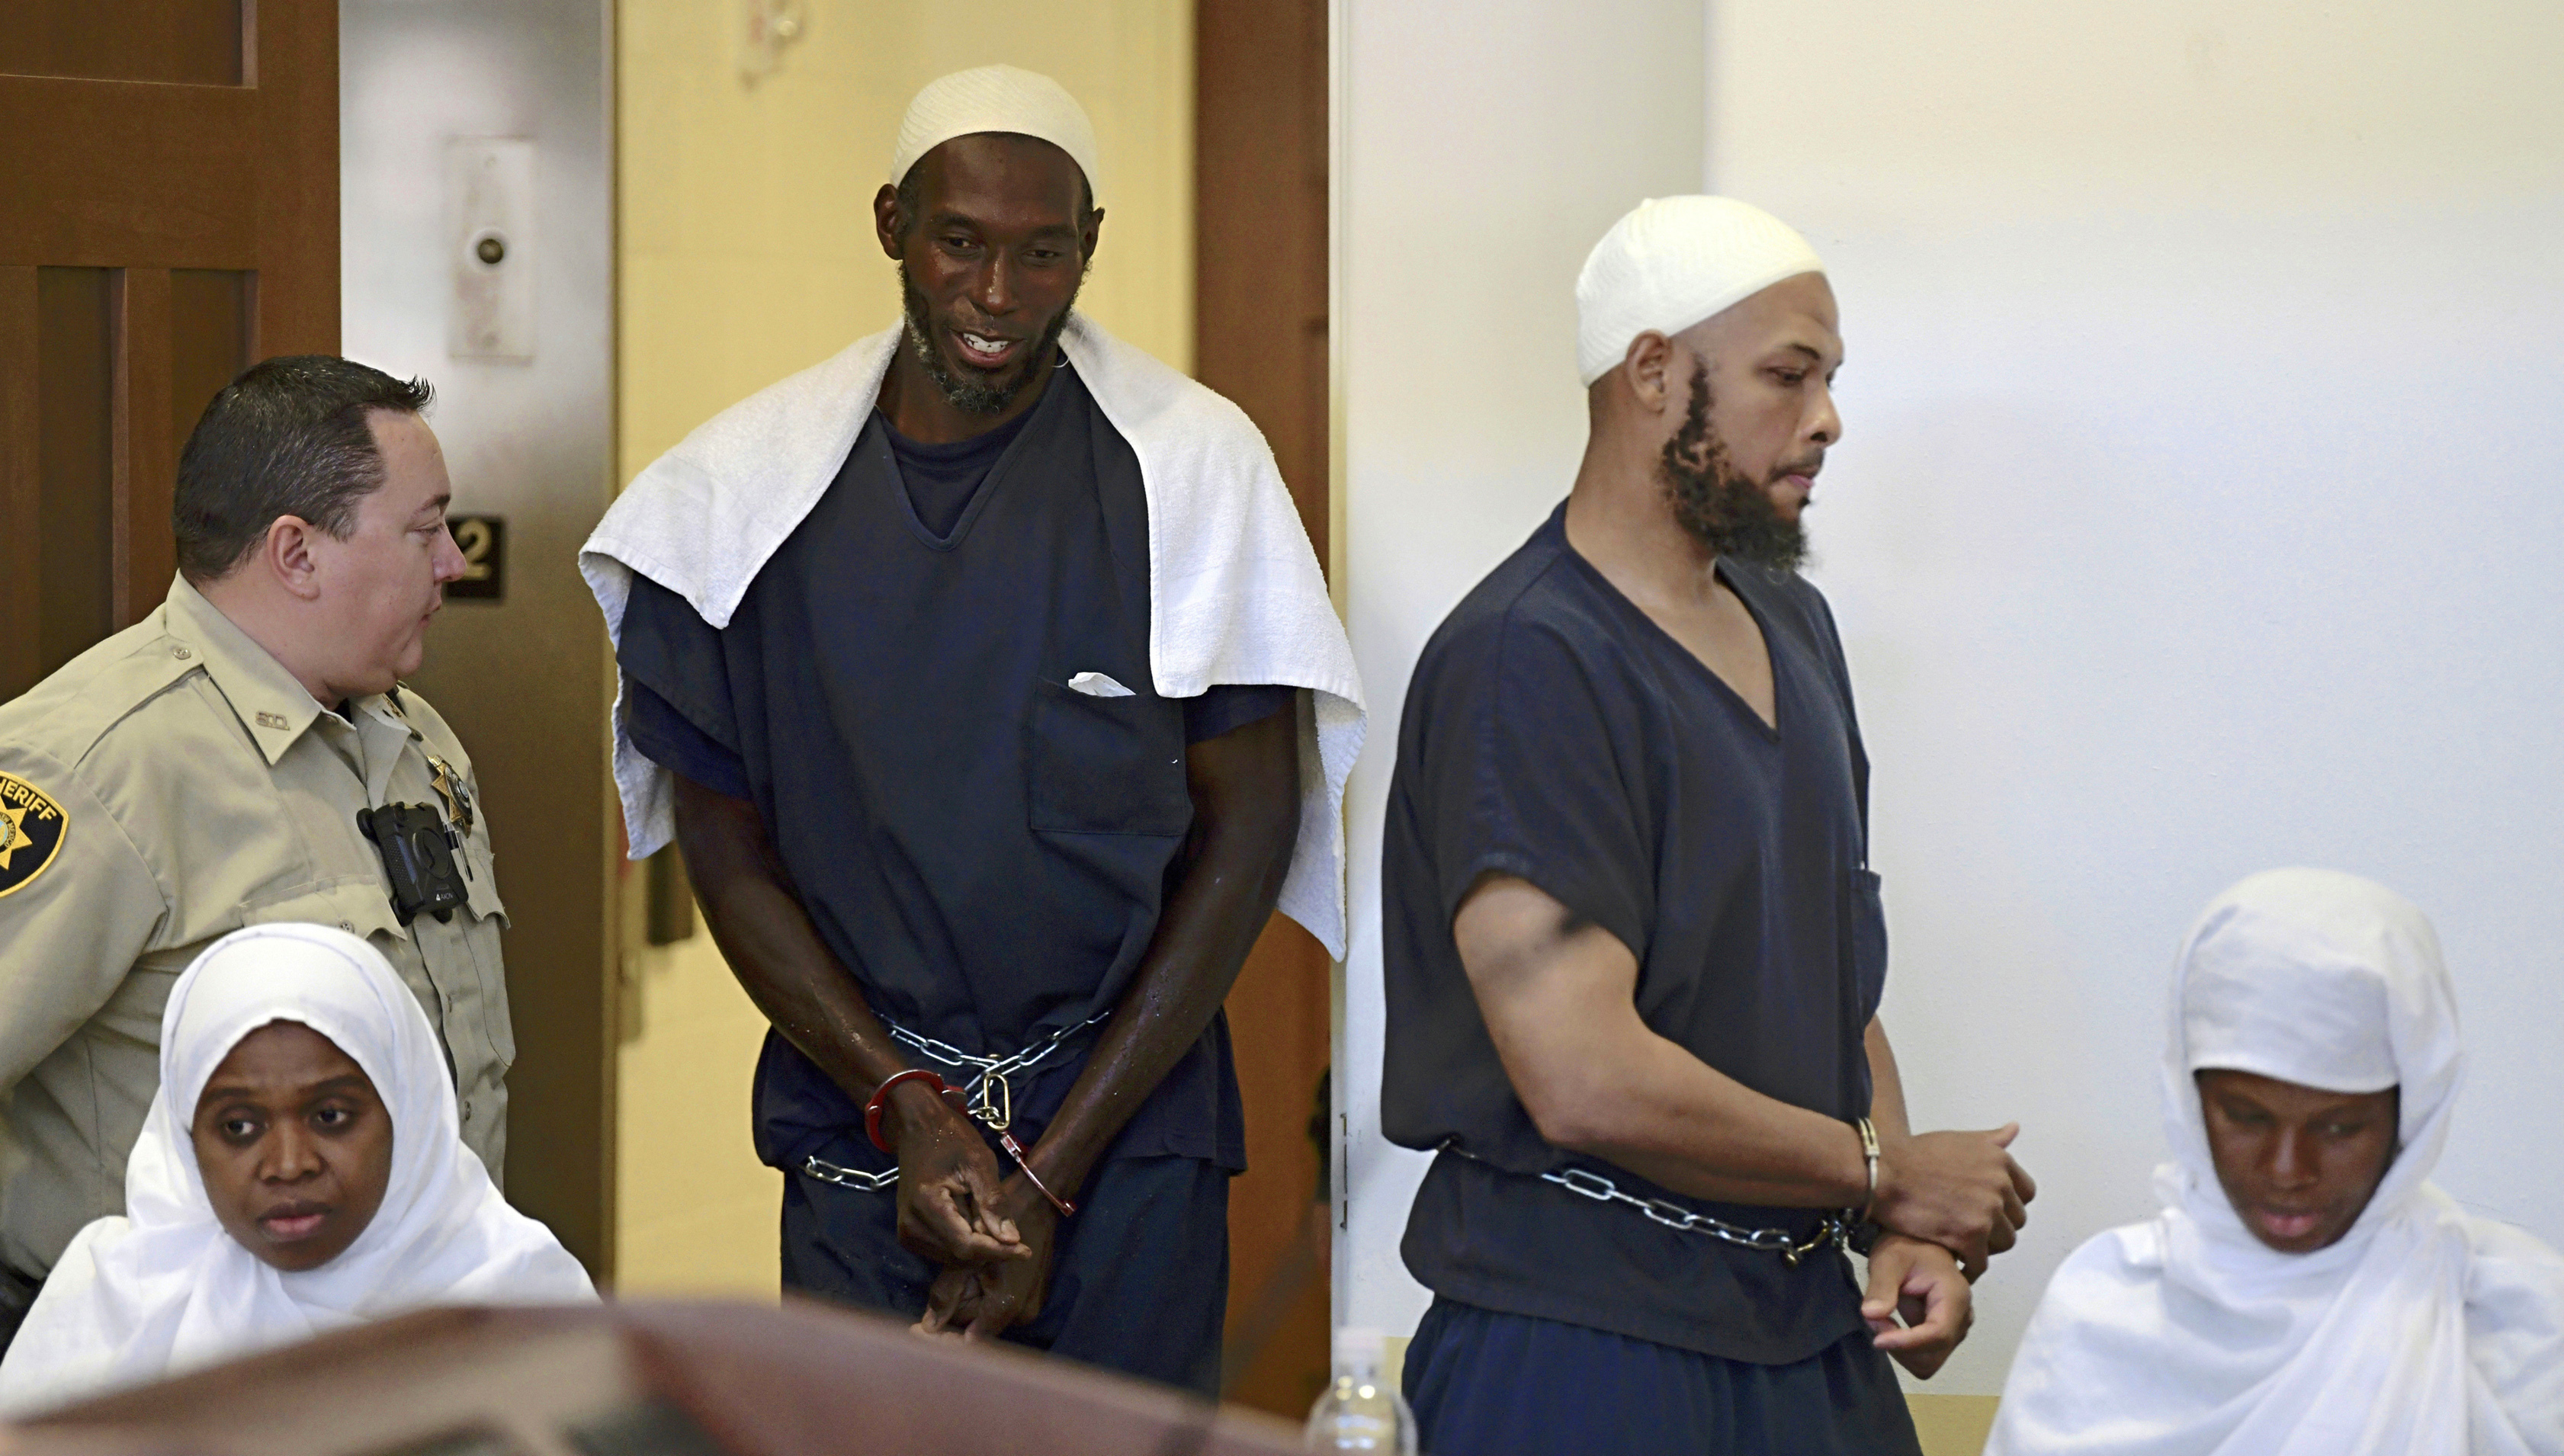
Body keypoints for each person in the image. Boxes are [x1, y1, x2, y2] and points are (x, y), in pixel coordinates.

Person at [579, 66, 1361, 1394]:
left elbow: (1250, 828)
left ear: (1088, 247)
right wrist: (906, 1105)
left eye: (1041, 252)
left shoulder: (1191, 471)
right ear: (890, 224)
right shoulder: (739, 500)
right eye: (960, 243)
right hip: (860, 1128)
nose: (997, 296)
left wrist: (1048, 1177)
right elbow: (725, 846)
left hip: (1129, 1135)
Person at [1378, 196, 2039, 1455]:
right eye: (1785, 376)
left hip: (1803, 1335)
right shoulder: (1528, 660)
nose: (1826, 417)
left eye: (1829, 379)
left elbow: (1828, 983)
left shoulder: (1793, 625)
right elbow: (1577, 1074)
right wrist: (1882, 1170)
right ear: (1649, 371)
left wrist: (1894, 1229)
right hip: (1578, 1349)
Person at [0, 358, 514, 1352]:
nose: (453, 561)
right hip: (171, 1379)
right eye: (425, 528)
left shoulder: (416, 743)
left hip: (409, 1353)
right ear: (296, 552)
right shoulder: (96, 768)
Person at [1984, 869, 2564, 1455]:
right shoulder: (2106, 1310)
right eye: (2246, 1117)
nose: (2287, 1171)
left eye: (2339, 1127)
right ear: (2190, 1101)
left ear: (2411, 1115)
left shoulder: (2514, 1319)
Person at [0, 924, 590, 1414]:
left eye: (331, 1116)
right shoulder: (112, 1308)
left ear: (407, 1114)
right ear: (184, 1138)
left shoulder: (521, 1306)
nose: (288, 1165)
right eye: (238, 1127)